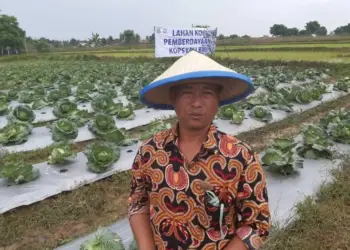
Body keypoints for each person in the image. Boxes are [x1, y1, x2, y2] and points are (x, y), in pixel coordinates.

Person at [128, 51, 270, 250]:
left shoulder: (241, 156)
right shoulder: (149, 151)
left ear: (218, 101)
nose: (196, 103)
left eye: (207, 93)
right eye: (187, 93)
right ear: (173, 98)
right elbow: (137, 203)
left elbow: (256, 225)